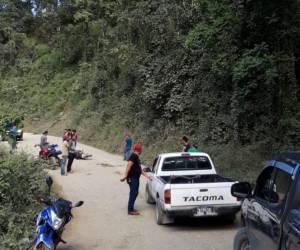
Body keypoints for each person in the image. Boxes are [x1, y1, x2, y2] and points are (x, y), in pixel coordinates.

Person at [120, 143, 151, 215]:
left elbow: (139, 170)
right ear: (139, 149)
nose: (141, 150)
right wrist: (125, 176)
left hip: (135, 178)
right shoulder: (134, 156)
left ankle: (131, 208)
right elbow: (129, 165)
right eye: (141, 149)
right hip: (132, 178)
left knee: (135, 193)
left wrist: (147, 176)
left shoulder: (136, 157)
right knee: (133, 193)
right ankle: (130, 210)